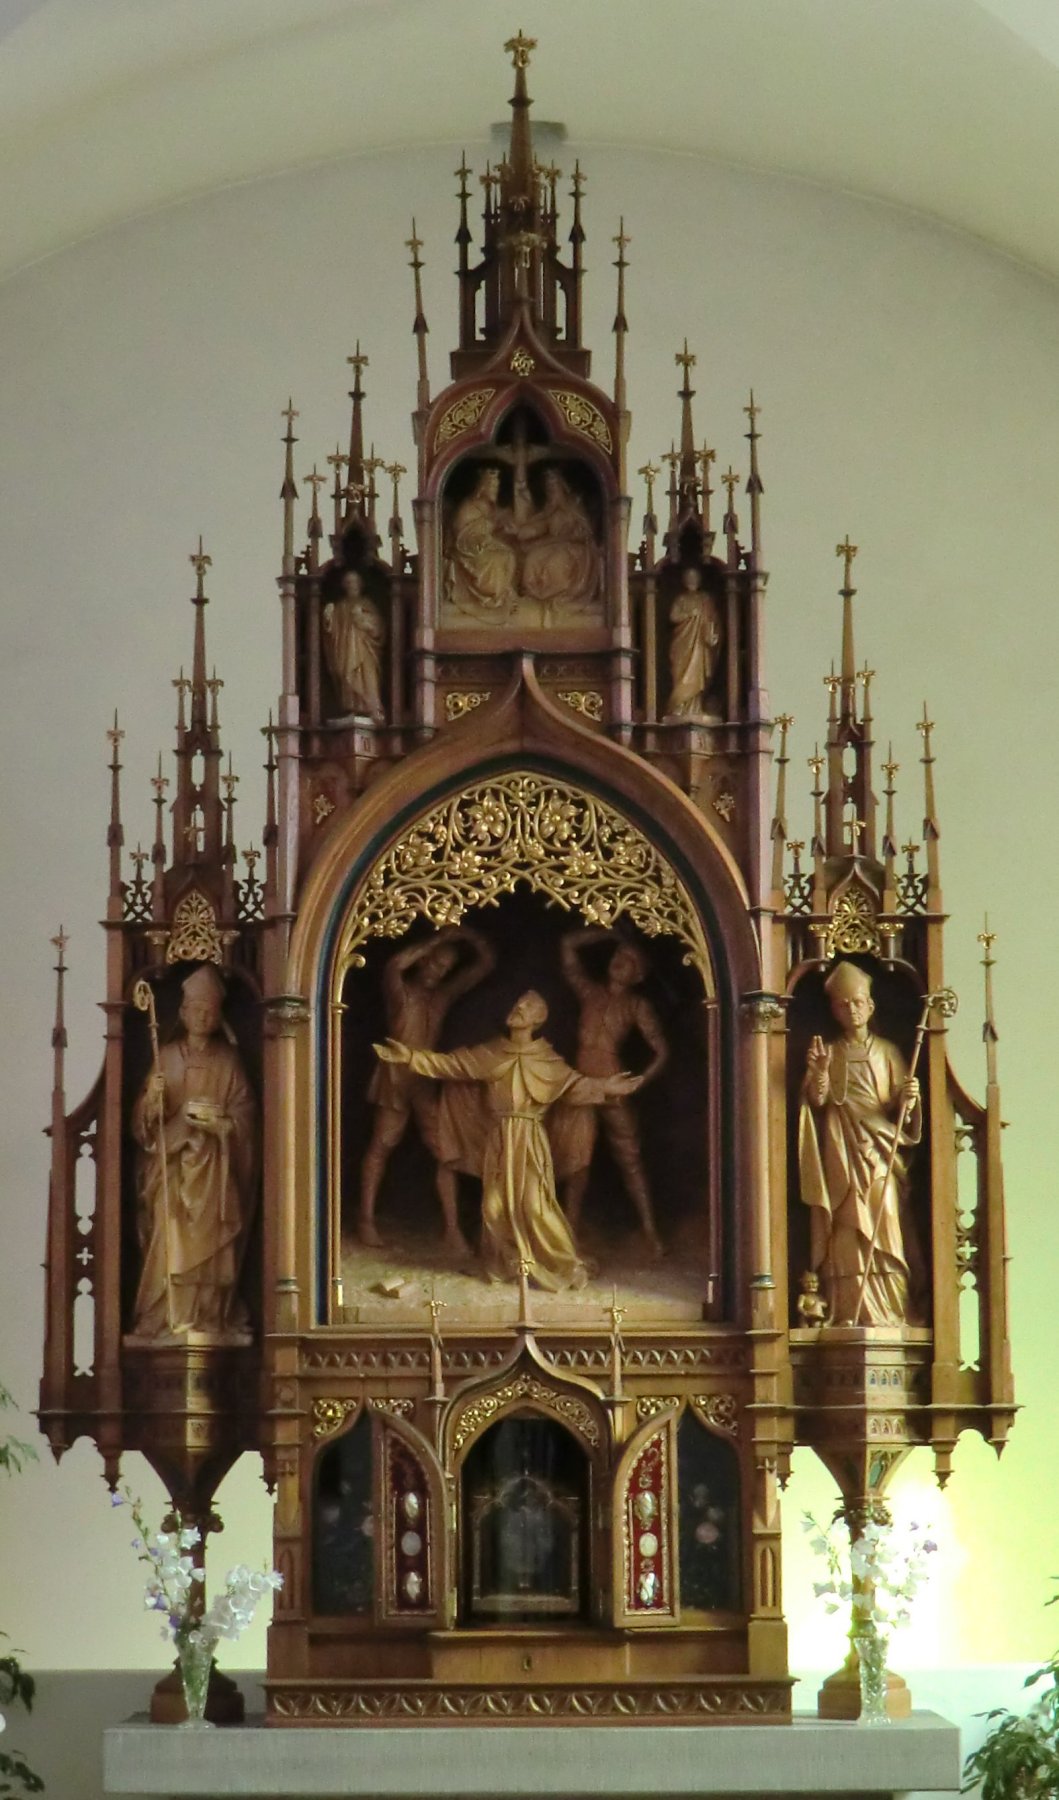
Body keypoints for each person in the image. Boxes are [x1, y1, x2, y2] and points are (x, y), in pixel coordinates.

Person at [373, 991, 641, 1291]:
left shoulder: (546, 1059)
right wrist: (409, 1056)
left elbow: (575, 1086)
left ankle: (566, 1264)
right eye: (517, 1004)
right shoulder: (492, 1053)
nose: (518, 1008)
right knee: (493, 1207)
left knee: (536, 1207)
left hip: (528, 1140)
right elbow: (450, 1064)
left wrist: (607, 1085)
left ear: (538, 1020)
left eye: (527, 1007)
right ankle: (511, 1265)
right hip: (500, 1140)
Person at [129, 964, 256, 1341]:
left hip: (214, 1169)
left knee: (214, 1246)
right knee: (168, 1238)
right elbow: (143, 1123)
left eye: (210, 1011)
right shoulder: (165, 1057)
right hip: (172, 1168)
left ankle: (209, 1317)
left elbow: (246, 1114)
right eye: (196, 1009)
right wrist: (152, 1100)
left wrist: (224, 1124)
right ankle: (167, 1315)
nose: (203, 1016)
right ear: (183, 1013)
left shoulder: (228, 1061)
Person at [797, 961, 921, 1325]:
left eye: (858, 1002)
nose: (851, 1009)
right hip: (842, 1151)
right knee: (847, 1230)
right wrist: (819, 1073)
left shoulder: (889, 1052)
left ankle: (891, 1312)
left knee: (886, 1222)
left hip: (881, 1151)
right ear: (834, 1010)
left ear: (870, 1006)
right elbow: (816, 1103)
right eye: (843, 1004)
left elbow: (901, 1110)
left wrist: (910, 1099)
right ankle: (849, 1311)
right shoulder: (829, 1052)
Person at [359, 927, 496, 1254]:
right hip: (395, 1077)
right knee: (383, 1144)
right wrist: (436, 940)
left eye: (445, 969)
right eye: (435, 965)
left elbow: (485, 964)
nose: (438, 972)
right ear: (424, 961)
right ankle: (366, 1219)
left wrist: (470, 938)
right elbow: (394, 965)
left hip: (424, 1079)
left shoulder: (441, 998)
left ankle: (451, 1230)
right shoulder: (401, 992)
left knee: (444, 1151)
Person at [548, 929, 668, 1256]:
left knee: (630, 1159)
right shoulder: (590, 992)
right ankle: (568, 1229)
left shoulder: (636, 1005)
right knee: (577, 1157)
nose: (620, 963)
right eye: (619, 956)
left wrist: (640, 1081)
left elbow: (660, 1050)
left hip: (613, 1085)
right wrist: (608, 931)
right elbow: (567, 943)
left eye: (630, 961)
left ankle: (649, 1231)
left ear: (638, 974)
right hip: (580, 1084)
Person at [517, 468, 601, 620]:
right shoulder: (550, 511)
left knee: (556, 562)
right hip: (555, 546)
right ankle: (535, 596)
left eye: (554, 487)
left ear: (562, 488)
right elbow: (534, 528)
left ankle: (555, 594)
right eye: (548, 489)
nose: (551, 492)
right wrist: (524, 518)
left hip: (576, 550)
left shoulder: (575, 506)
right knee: (532, 558)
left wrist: (560, 539)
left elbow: (585, 533)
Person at [444, 466, 519, 620]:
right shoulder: (468, 506)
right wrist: (484, 532)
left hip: (485, 545)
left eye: (496, 487)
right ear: (483, 487)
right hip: (467, 550)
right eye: (492, 487)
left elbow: (495, 525)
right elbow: (461, 534)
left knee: (509, 554)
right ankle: (490, 600)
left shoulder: (490, 507)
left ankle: (503, 595)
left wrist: (503, 527)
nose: (495, 491)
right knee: (496, 560)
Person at [322, 568, 386, 721]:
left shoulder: (366, 604)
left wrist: (363, 619)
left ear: (360, 584)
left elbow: (378, 629)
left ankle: (371, 709)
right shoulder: (340, 606)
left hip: (365, 652)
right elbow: (332, 633)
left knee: (367, 679)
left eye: (355, 582)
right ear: (344, 585)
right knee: (347, 679)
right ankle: (351, 708)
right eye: (349, 582)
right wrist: (328, 617)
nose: (352, 585)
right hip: (346, 652)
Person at [666, 566, 722, 718]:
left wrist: (712, 636)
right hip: (683, 644)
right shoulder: (681, 599)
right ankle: (679, 705)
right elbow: (673, 617)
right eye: (689, 578)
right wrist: (690, 614)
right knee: (680, 675)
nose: (692, 581)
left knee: (698, 677)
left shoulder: (706, 599)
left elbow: (713, 621)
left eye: (694, 578)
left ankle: (694, 708)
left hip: (700, 645)